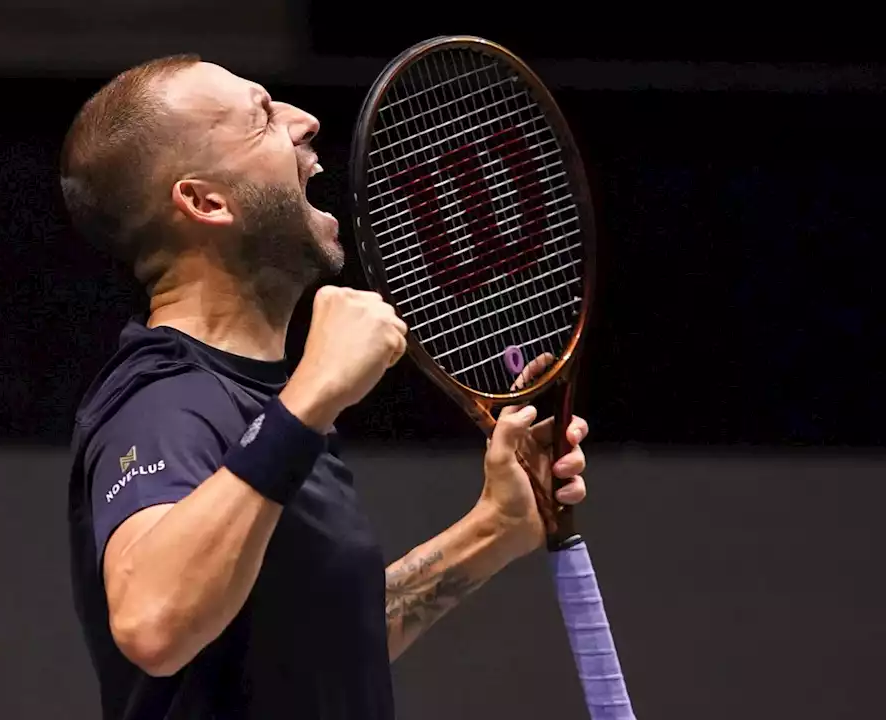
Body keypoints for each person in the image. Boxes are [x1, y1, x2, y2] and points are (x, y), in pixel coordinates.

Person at [60, 55, 593, 720]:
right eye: (261, 117)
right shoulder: (162, 401)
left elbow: (316, 652)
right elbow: (152, 623)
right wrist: (311, 395)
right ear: (204, 201)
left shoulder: (263, 415)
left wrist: (494, 529)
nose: (305, 121)